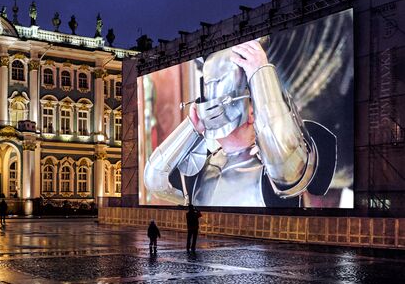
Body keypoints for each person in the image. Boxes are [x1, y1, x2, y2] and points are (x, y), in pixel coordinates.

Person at [144, 40, 336, 207]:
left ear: (253, 111)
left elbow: (286, 167)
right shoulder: (201, 172)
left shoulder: (272, 169)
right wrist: (191, 127)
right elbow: (154, 181)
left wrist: (260, 70)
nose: (212, 111)